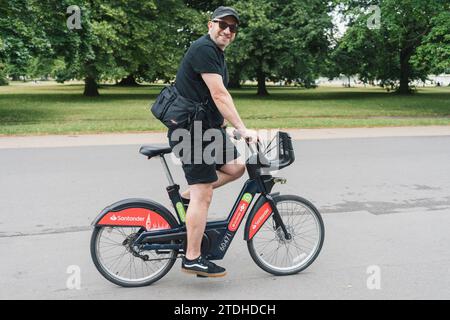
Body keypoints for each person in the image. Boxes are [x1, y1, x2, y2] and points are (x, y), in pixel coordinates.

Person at [167, 6, 258, 277]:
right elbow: (219, 95)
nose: (228, 31)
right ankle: (193, 258)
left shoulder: (215, 53)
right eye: (223, 25)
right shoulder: (204, 49)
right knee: (203, 194)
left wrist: (223, 127)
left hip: (207, 130)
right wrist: (242, 128)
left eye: (233, 28)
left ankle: (186, 197)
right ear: (211, 24)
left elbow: (207, 99)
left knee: (235, 167)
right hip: (191, 132)